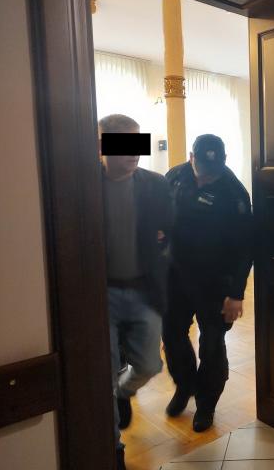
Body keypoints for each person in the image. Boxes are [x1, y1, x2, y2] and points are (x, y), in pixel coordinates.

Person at [163, 134, 253, 432]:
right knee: (172, 335)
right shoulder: (175, 176)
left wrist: (236, 293)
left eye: (212, 173)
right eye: (202, 170)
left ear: (224, 161)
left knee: (212, 345)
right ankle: (185, 384)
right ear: (192, 157)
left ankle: (206, 403)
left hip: (215, 282)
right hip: (175, 276)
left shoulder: (234, 192)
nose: (206, 178)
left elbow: (245, 248)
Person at [99, 114, 173, 470]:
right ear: (101, 145)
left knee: (148, 365)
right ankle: (114, 449)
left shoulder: (155, 184)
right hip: (100, 294)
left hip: (144, 290)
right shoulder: (83, 183)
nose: (133, 153)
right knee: (103, 372)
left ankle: (123, 392)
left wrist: (162, 244)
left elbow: (169, 229)